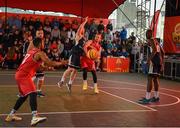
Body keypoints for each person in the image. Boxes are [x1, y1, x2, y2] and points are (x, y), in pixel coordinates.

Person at [5, 38, 66, 126]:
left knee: (23, 96)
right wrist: (61, 63)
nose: (44, 44)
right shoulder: (39, 53)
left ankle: (11, 115)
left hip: (19, 74)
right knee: (33, 93)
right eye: (43, 42)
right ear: (40, 44)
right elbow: (50, 62)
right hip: (24, 76)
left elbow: (38, 67)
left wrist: (45, 68)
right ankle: (34, 117)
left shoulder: (30, 52)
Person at [57, 17, 88, 93]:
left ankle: (70, 84)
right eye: (82, 29)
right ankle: (61, 81)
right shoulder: (78, 36)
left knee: (75, 71)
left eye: (84, 29)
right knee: (70, 69)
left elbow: (84, 49)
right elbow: (80, 28)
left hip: (78, 56)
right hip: (74, 54)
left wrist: (87, 55)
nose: (83, 29)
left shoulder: (84, 40)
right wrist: (85, 22)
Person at [138, 29, 164, 104]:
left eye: (148, 33)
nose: (146, 34)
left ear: (151, 34)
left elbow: (155, 50)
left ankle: (147, 98)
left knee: (150, 78)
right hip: (158, 62)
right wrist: (162, 63)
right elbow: (163, 52)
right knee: (155, 79)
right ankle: (156, 97)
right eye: (146, 33)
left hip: (154, 62)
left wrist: (149, 59)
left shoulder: (151, 40)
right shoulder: (156, 41)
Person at [28, 29, 46, 97]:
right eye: (39, 33)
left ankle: (38, 91)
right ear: (36, 34)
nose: (40, 34)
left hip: (39, 62)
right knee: (31, 77)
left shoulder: (42, 41)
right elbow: (28, 51)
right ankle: (24, 92)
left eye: (41, 33)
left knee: (41, 76)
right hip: (33, 62)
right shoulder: (33, 42)